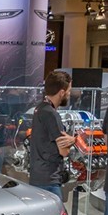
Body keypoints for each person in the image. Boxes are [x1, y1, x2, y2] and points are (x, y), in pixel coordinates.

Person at [28, 71, 75, 200]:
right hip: (49, 181)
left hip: (38, 176)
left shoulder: (40, 109)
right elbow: (64, 151)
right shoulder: (51, 114)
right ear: (62, 92)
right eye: (69, 91)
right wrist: (73, 140)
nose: (69, 94)